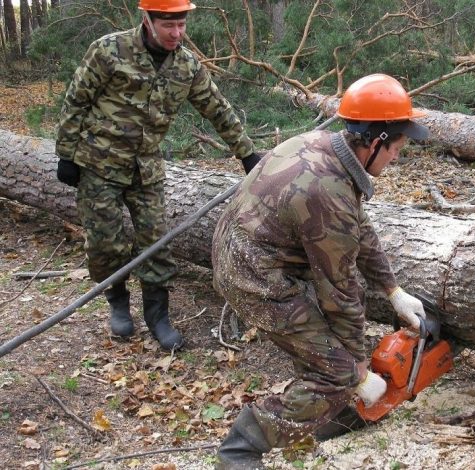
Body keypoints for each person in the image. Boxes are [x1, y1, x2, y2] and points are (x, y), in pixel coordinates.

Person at [210, 73, 429, 469]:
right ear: (375, 140)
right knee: (336, 372)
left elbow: (358, 229)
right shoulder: (328, 192)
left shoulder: (326, 148)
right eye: (396, 148)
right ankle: (241, 448)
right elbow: (340, 292)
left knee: (328, 351)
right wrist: (358, 369)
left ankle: (327, 410)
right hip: (254, 277)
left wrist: (392, 289)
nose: (397, 157)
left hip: (249, 252)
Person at [54, 0, 261, 351]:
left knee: (157, 242)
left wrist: (247, 153)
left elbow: (217, 108)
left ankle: (157, 316)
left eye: (181, 25)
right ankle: (118, 304)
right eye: (169, 25)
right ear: (147, 19)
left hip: (146, 169)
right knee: (105, 244)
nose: (177, 33)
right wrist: (66, 154)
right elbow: (76, 100)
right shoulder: (109, 50)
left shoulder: (186, 65)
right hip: (99, 164)